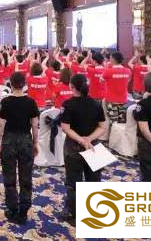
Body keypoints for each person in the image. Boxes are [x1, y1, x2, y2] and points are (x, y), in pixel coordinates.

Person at [60, 74, 107, 226]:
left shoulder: (68, 104)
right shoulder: (96, 104)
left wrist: (82, 140)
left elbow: (65, 128)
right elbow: (102, 127)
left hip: (74, 147)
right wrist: (89, 139)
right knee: (94, 181)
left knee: (74, 182)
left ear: (71, 87)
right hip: (94, 145)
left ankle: (75, 216)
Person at [0, 72, 39, 224]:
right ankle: (24, 210)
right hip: (26, 140)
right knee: (26, 177)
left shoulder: (5, 102)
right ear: (24, 84)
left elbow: (1, 124)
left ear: (11, 84)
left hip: (9, 141)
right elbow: (35, 125)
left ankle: (12, 208)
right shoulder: (31, 102)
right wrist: (35, 143)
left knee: (9, 176)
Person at [101, 52, 131, 123]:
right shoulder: (128, 71)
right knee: (121, 121)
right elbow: (128, 80)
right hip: (123, 100)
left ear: (113, 59)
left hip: (111, 100)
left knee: (113, 121)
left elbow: (101, 80)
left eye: (110, 58)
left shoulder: (108, 71)